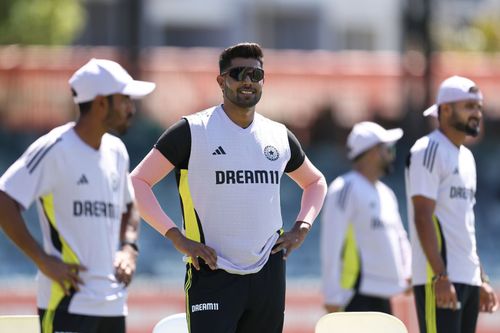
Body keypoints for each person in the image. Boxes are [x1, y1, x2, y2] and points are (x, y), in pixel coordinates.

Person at [130, 42, 327, 333]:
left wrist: (302, 228)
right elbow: (136, 183)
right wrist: (177, 238)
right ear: (221, 80)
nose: (248, 81)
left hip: (268, 274)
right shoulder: (192, 130)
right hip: (210, 272)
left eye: (255, 75)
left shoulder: (278, 135)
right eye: (238, 73)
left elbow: (316, 182)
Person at [0, 58, 156, 333]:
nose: (131, 109)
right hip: (66, 302)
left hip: (113, 304)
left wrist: (129, 249)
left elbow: (129, 207)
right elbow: (4, 198)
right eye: (124, 100)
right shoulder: (54, 148)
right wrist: (42, 260)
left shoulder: (117, 151)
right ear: (100, 103)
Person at [405, 75, 499, 333]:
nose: (477, 114)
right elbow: (422, 217)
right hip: (440, 279)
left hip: (466, 278)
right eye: (469, 106)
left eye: (479, 107)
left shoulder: (467, 157)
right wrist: (440, 276)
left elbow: (463, 223)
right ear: (445, 109)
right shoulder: (427, 149)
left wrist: (480, 278)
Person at [321, 121, 412, 314]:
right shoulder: (345, 188)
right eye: (388, 149)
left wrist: (409, 271)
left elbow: (400, 237)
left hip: (384, 296)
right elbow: (331, 243)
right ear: (371, 152)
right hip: (354, 295)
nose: (392, 155)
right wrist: (332, 295)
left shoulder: (387, 193)